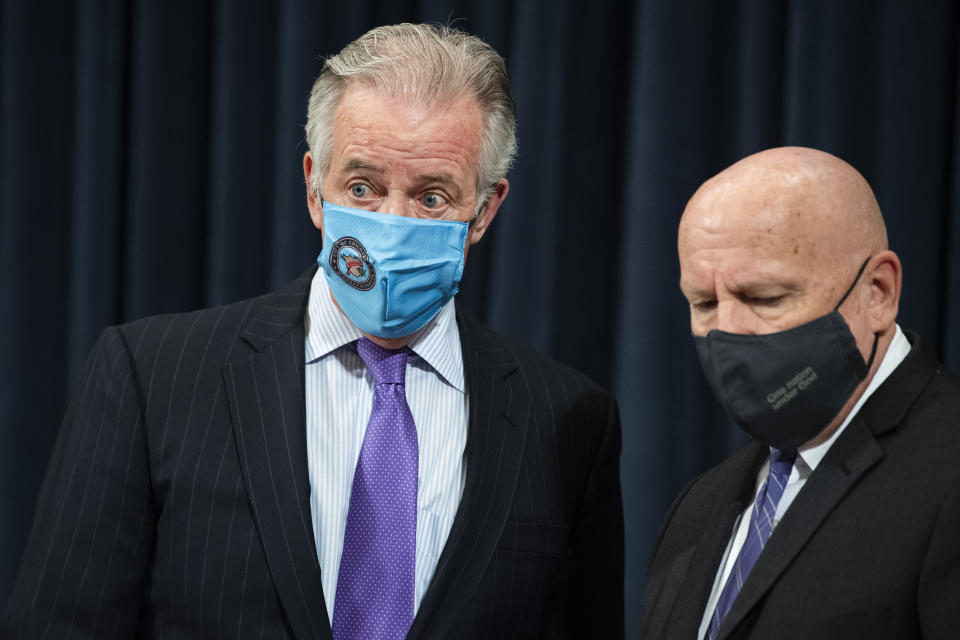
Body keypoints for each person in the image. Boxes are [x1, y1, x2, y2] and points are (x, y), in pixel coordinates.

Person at [3, 24, 624, 639]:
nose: (393, 221)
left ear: (485, 209)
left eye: (432, 198)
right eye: (363, 187)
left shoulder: (567, 422)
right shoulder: (153, 378)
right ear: (313, 188)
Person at [642, 146, 959, 639]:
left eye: (764, 297)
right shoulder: (697, 510)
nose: (727, 332)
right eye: (704, 302)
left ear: (878, 292)